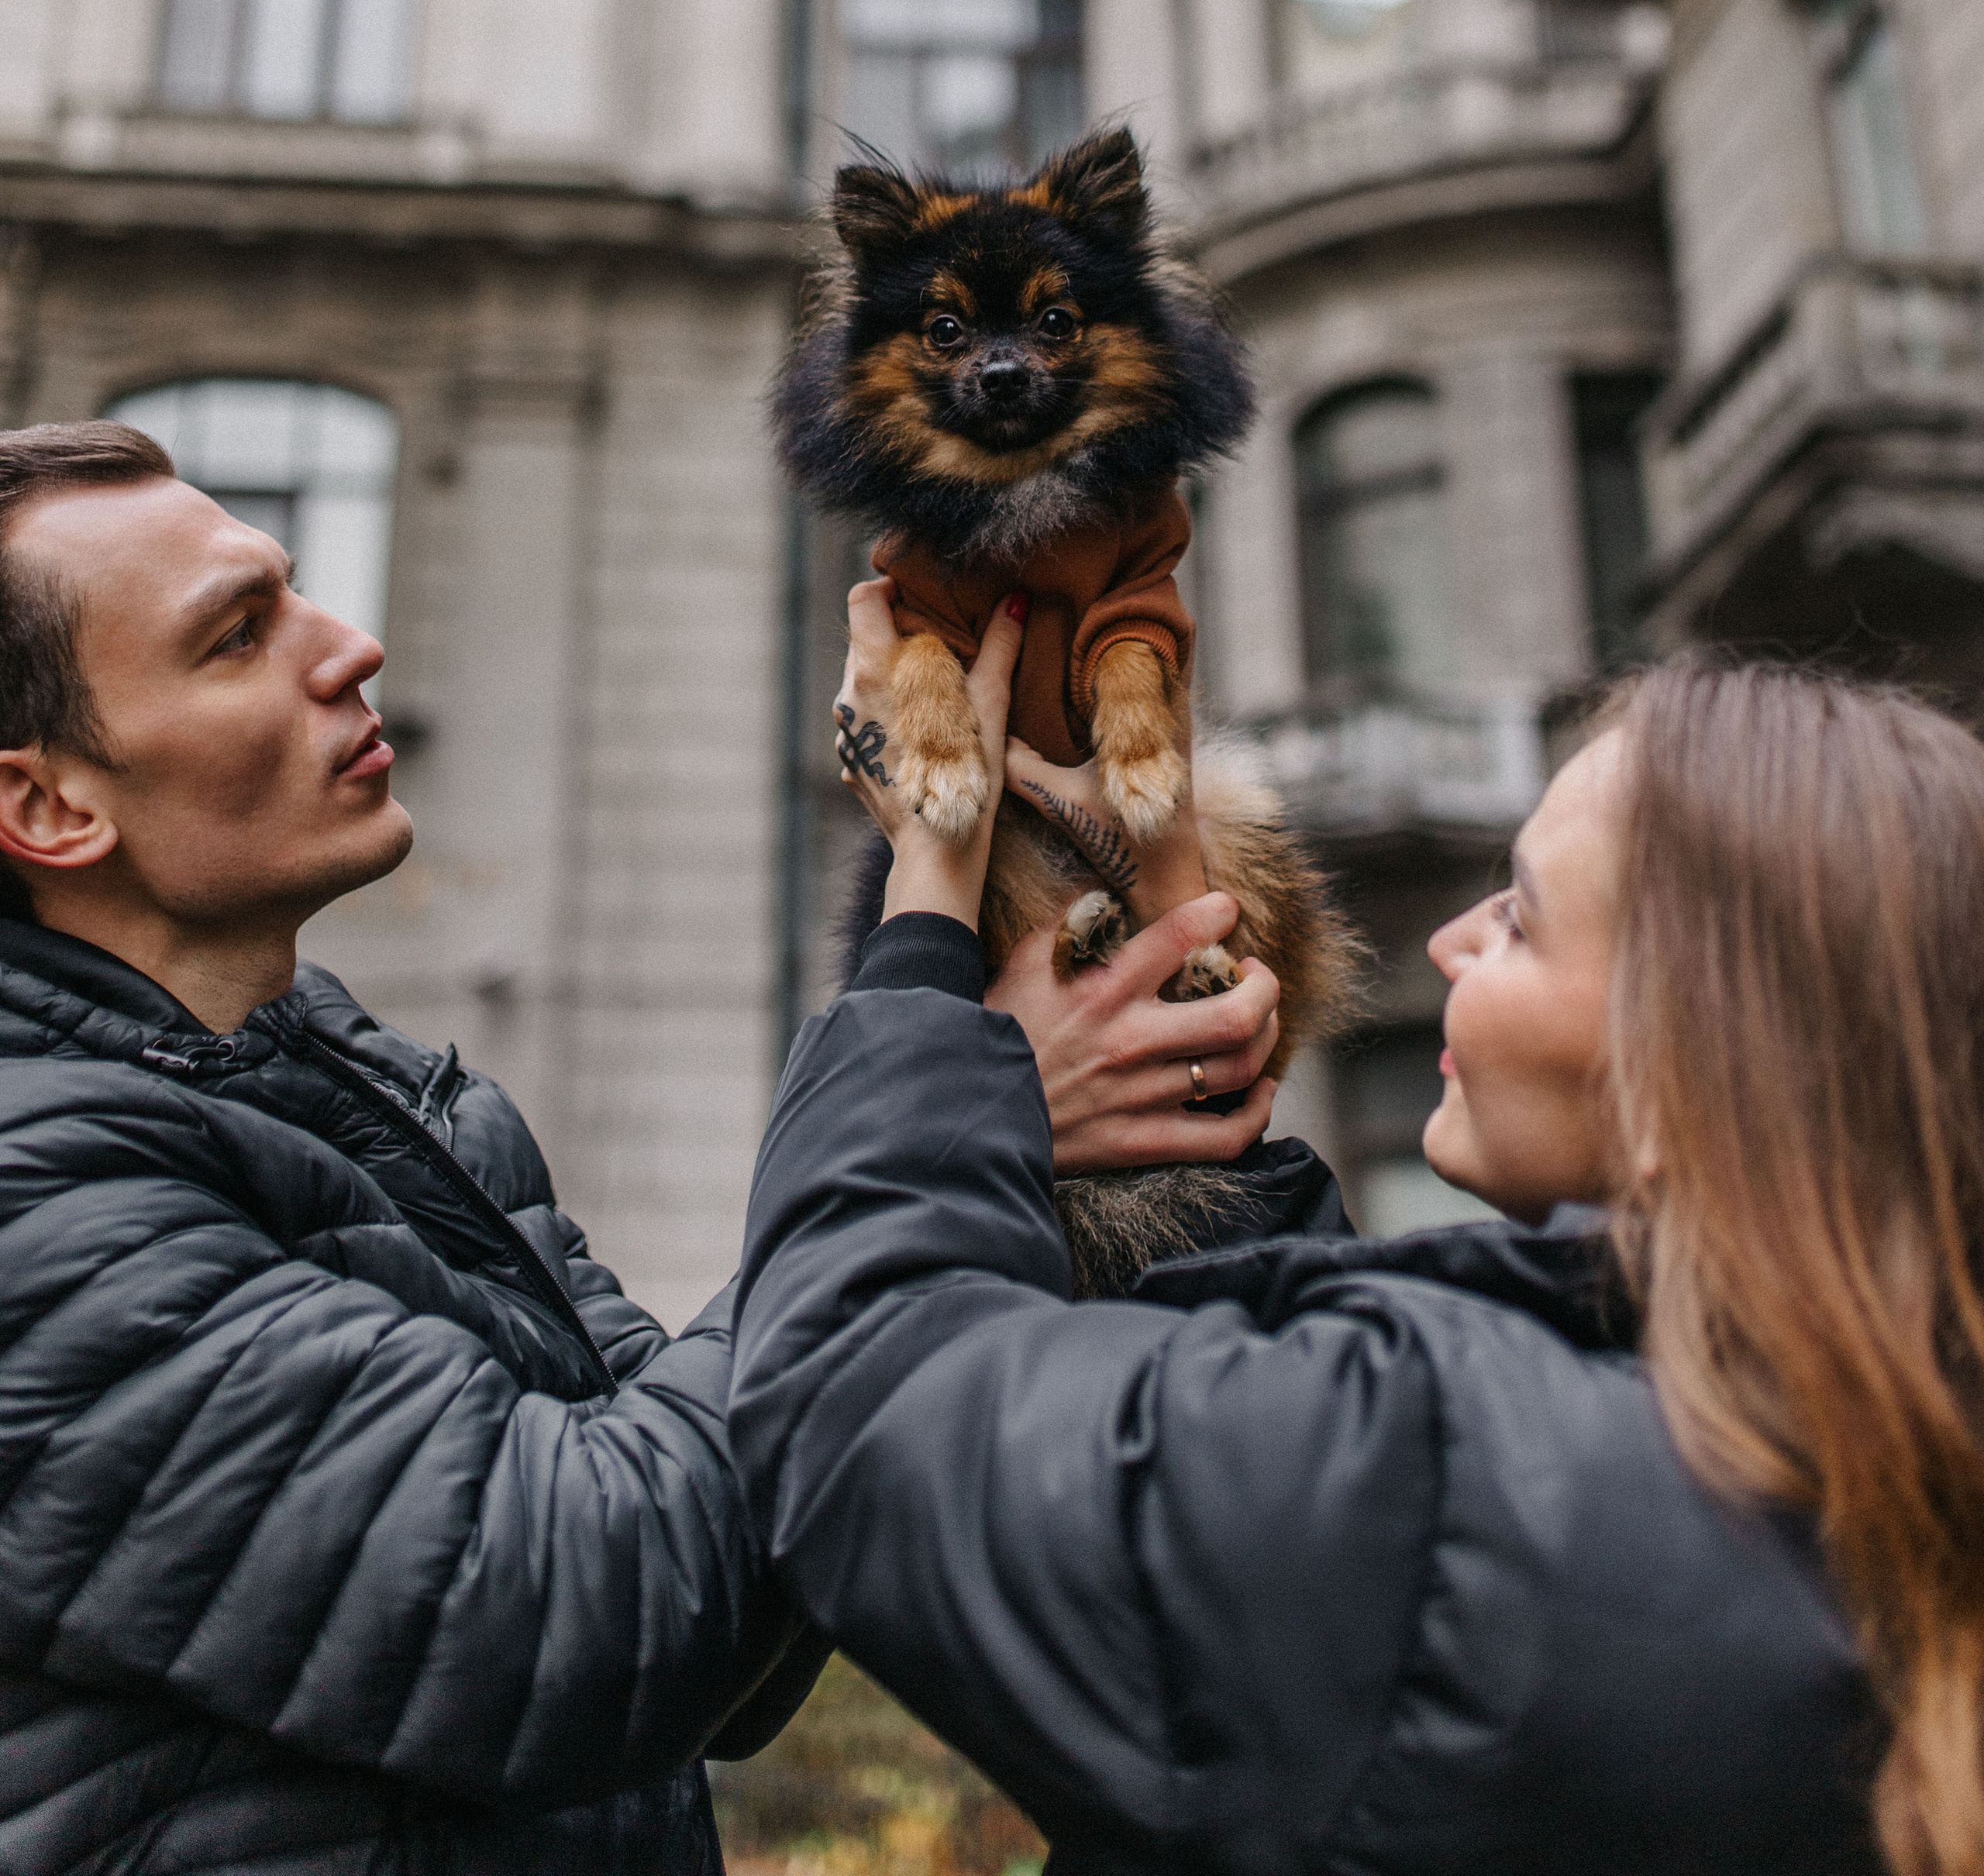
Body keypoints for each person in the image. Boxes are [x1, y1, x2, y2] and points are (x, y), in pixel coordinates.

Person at [0, 424, 1273, 1876]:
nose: (349, 645)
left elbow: (749, 1594)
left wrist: (1100, 927)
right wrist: (936, 929)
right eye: (236, 638)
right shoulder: (34, 1206)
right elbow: (591, 1613)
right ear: (47, 806)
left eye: (294, 591)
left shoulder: (391, 1098)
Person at [733, 585, 1984, 1874]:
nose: (1451, 939)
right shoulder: (1825, 1452)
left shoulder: (1445, 1486)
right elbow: (1265, 1394)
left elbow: (855, 1400)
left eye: (1523, 915)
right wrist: (1178, 1006)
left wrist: (930, 908)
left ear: (1693, 1074)